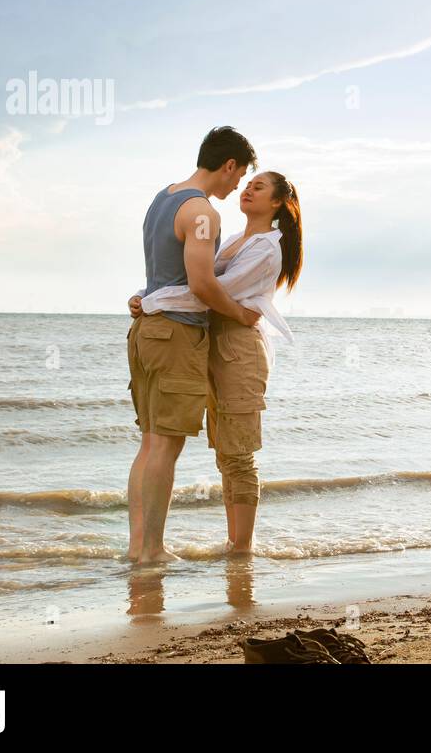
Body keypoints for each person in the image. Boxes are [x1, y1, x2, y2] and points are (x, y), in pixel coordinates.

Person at [129, 171, 302, 556]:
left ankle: (241, 549)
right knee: (223, 455)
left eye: (258, 187)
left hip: (239, 351)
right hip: (209, 343)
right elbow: (193, 277)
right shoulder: (238, 240)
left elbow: (211, 290)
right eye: (247, 183)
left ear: (277, 203)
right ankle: (234, 545)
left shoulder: (267, 248)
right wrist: (146, 294)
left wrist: (154, 300)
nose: (247, 189)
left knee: (238, 453)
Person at [126, 127, 261, 565]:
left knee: (149, 444)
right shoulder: (202, 211)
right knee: (166, 446)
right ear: (228, 165)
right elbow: (202, 283)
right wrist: (241, 315)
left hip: (147, 330)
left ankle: (138, 548)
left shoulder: (162, 198)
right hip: (177, 335)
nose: (237, 185)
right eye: (239, 176)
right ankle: (152, 552)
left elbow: (161, 275)